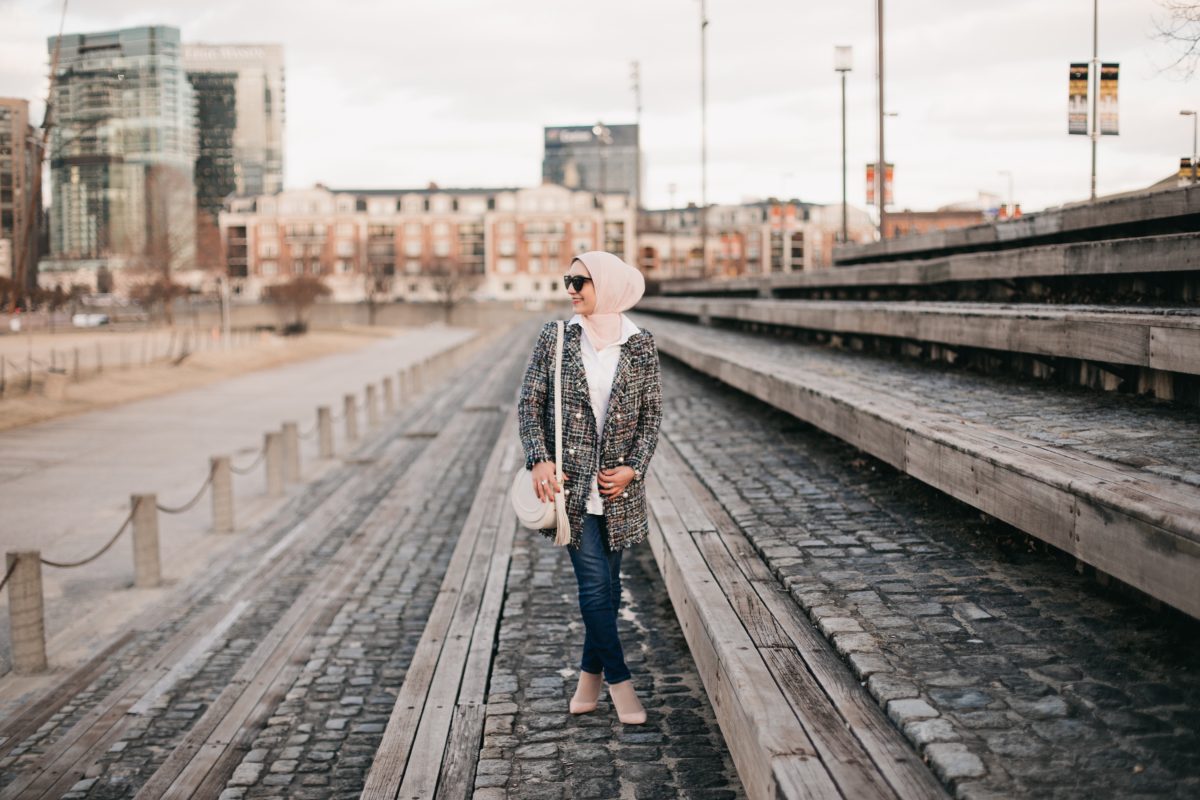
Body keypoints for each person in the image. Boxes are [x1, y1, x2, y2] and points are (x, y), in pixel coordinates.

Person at [516, 250, 663, 725]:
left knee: (610, 588)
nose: (572, 289)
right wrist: (539, 459)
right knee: (596, 587)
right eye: (568, 280)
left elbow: (651, 419)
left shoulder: (642, 346)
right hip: (570, 489)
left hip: (617, 493)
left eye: (582, 281)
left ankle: (588, 680)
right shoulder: (557, 338)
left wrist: (633, 470)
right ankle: (621, 684)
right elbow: (530, 403)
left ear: (610, 286)